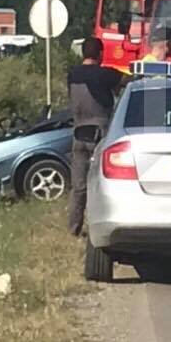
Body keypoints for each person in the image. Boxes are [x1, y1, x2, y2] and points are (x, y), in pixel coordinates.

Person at [67, 37, 124, 237]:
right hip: (100, 134)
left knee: (78, 186)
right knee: (102, 184)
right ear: (100, 54)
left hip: (78, 134)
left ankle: (73, 228)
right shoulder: (105, 74)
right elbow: (128, 82)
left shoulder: (72, 74)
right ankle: (100, 225)